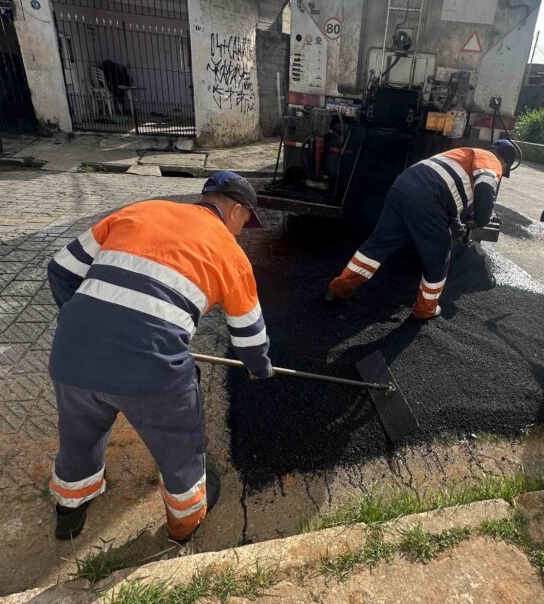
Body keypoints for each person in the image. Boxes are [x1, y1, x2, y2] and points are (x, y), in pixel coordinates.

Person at [46, 171, 273, 542]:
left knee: (79, 434)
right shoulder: (231, 253)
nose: (242, 231)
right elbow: (249, 336)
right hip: (152, 373)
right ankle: (184, 522)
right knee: (179, 443)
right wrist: (259, 368)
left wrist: (82, 325)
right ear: (236, 210)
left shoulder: (141, 210)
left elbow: (60, 268)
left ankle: (69, 510)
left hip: (71, 355)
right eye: (246, 222)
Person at [326, 142, 518, 319]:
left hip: (403, 187)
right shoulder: (491, 160)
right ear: (504, 163)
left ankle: (339, 288)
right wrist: (480, 220)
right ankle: (425, 309)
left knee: (379, 244)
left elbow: (450, 205)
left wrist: (458, 230)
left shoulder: (463, 155)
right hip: (429, 197)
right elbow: (485, 187)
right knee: (439, 255)